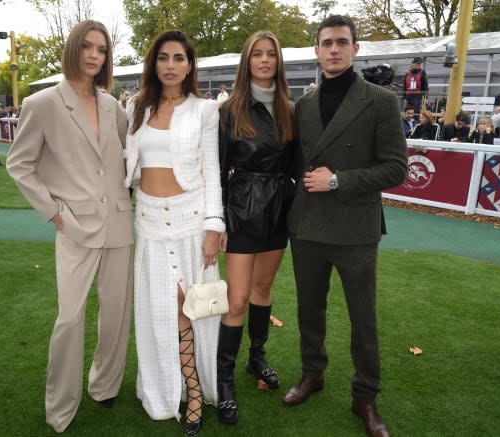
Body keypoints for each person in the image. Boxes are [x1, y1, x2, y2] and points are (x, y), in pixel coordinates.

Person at [6, 20, 134, 433]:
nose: (94, 55)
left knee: (116, 313)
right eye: (87, 47)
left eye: (101, 49)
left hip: (118, 222)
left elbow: (124, 157)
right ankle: (61, 404)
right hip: (75, 225)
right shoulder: (41, 103)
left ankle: (105, 384)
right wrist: (55, 212)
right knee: (70, 318)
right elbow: (19, 163)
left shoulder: (113, 105)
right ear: (74, 50)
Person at [283, 16, 407, 437]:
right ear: (316, 51)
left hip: (356, 228)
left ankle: (365, 396)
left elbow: (396, 168)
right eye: (326, 43)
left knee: (363, 318)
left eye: (341, 42)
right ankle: (312, 374)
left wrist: (338, 180)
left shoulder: (382, 101)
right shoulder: (302, 106)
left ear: (355, 48)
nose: (333, 49)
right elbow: (295, 165)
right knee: (308, 310)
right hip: (308, 226)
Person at [123, 30, 224, 436]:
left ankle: (194, 391)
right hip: (148, 220)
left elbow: (212, 170)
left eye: (179, 58)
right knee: (159, 309)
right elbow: (126, 163)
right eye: (163, 57)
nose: (170, 65)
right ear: (154, 63)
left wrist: (214, 225)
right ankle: (165, 389)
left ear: (189, 65)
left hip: (191, 218)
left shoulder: (204, 110)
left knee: (190, 306)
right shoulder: (135, 108)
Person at [216, 30, 296, 426]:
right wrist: (218, 220)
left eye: (271, 55)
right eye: (257, 55)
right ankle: (224, 378)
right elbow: (216, 170)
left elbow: (297, 163)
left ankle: (257, 358)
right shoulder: (229, 110)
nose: (265, 60)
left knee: (263, 291)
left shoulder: (289, 109)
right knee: (236, 300)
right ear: (246, 62)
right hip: (241, 210)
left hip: (278, 211)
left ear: (278, 62)